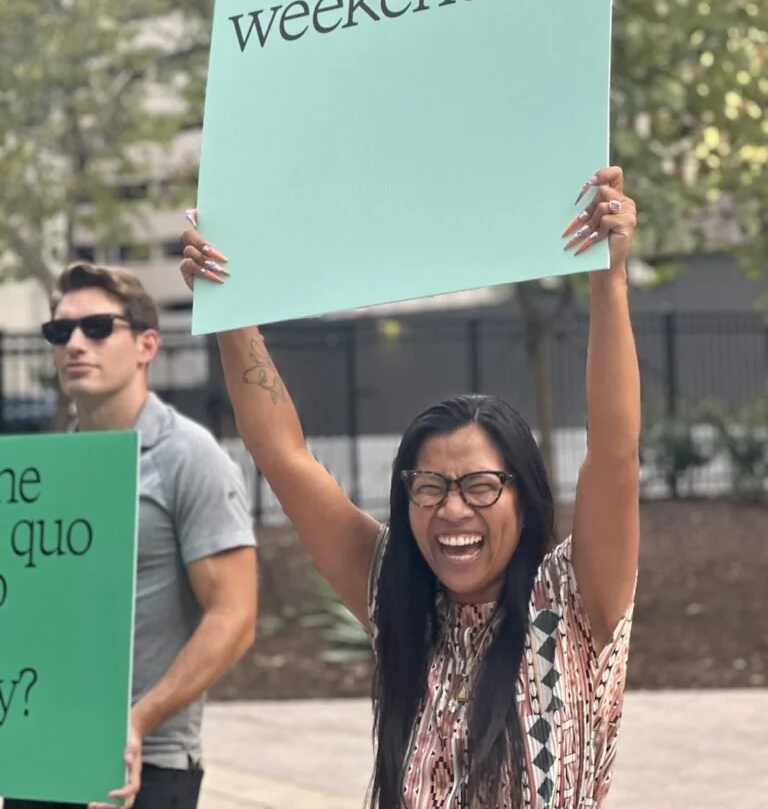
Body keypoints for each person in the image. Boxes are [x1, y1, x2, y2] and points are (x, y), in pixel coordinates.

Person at [180, 164, 640, 809]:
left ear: (524, 495)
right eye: (428, 486)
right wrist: (232, 307)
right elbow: (284, 457)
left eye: (480, 485)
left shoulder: (573, 599)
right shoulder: (398, 599)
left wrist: (609, 279)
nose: (452, 509)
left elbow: (614, 454)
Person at [5, 263, 258, 809]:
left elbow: (234, 617)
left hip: (147, 763)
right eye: (59, 331)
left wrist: (135, 722)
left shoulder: (191, 457)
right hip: (39, 754)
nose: (75, 342)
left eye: (97, 327)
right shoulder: (44, 474)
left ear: (147, 345)